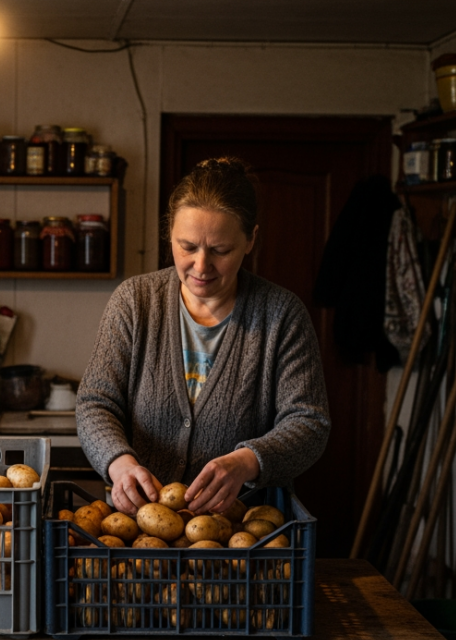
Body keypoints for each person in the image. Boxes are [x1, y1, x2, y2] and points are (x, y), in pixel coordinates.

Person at [76, 157, 330, 515]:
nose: (200, 266)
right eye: (188, 246)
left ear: (249, 240)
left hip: (242, 533)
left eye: (220, 251)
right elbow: (95, 403)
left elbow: (309, 422)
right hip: (140, 528)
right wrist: (119, 463)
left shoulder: (282, 314)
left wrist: (247, 461)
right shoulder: (135, 302)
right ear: (170, 235)